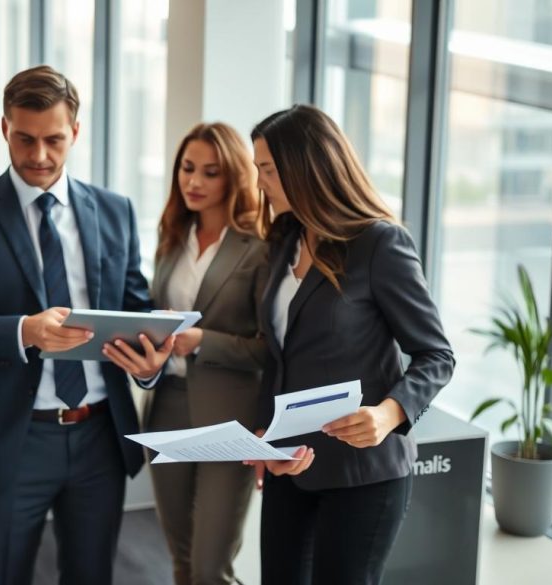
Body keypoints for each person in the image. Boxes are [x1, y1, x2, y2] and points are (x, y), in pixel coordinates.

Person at [0, 64, 172, 585]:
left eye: (54, 140)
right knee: (1, 573)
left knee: (92, 575)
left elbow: (136, 309)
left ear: (76, 133)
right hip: (16, 436)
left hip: (100, 437)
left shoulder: (115, 211)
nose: (39, 156)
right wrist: (24, 331)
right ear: (4, 129)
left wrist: (150, 365)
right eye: (25, 139)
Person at [246, 104, 455, 584]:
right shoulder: (285, 239)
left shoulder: (380, 244)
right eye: (259, 170)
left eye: (269, 170)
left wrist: (388, 413)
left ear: (307, 168)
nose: (260, 184)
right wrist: (263, 432)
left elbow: (437, 355)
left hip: (365, 473)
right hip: (290, 462)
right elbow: (278, 353)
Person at [145, 122, 270, 585]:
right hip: (167, 407)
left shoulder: (259, 247)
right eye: (187, 168)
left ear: (235, 176)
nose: (194, 182)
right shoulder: (171, 236)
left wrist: (204, 342)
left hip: (229, 416)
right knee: (179, 558)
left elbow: (270, 348)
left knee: (210, 567)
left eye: (210, 172)